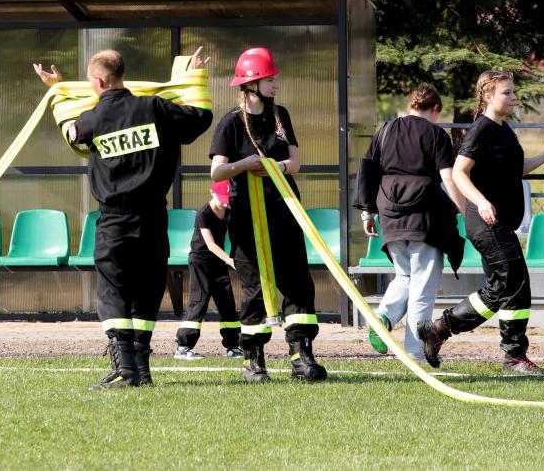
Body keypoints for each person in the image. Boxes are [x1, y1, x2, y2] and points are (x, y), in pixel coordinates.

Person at [34, 48, 213, 389]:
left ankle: (125, 369)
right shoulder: (154, 108)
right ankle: (141, 369)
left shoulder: (92, 118)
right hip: (154, 216)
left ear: (98, 81)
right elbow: (200, 117)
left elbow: (70, 131)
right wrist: (195, 77)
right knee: (148, 289)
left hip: (115, 220)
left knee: (113, 290)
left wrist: (58, 89)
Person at [417, 70, 544, 373]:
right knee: (508, 285)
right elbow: (459, 173)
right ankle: (443, 329)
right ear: (488, 96)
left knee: (513, 287)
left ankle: (509, 354)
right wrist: (481, 201)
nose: (513, 98)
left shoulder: (503, 129)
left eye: (513, 92)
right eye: (506, 93)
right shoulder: (480, 130)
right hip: (485, 222)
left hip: (500, 223)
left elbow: (512, 169)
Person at [209, 47, 327, 383]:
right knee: (255, 288)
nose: (276, 84)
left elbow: (295, 163)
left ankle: (301, 357)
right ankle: (253, 360)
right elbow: (217, 172)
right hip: (247, 216)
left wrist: (278, 167)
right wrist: (245, 165)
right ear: (251, 84)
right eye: (270, 79)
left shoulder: (280, 115)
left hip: (284, 210)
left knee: (297, 282)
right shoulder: (231, 122)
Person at [356, 84, 466, 363]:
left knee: (405, 275)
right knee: (423, 286)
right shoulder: (436, 134)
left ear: (411, 106)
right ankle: (414, 352)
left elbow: (367, 170)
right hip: (424, 216)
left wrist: (367, 212)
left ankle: (383, 317)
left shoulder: (385, 130)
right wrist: (465, 209)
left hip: (389, 211)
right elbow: (448, 177)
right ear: (435, 109)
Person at [173, 179, 243, 360]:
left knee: (227, 303)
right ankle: (183, 347)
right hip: (200, 262)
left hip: (218, 263)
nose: (226, 202)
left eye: (228, 198)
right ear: (212, 192)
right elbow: (210, 245)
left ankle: (233, 346)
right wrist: (230, 260)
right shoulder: (203, 213)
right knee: (199, 302)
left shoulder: (228, 212)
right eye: (222, 198)